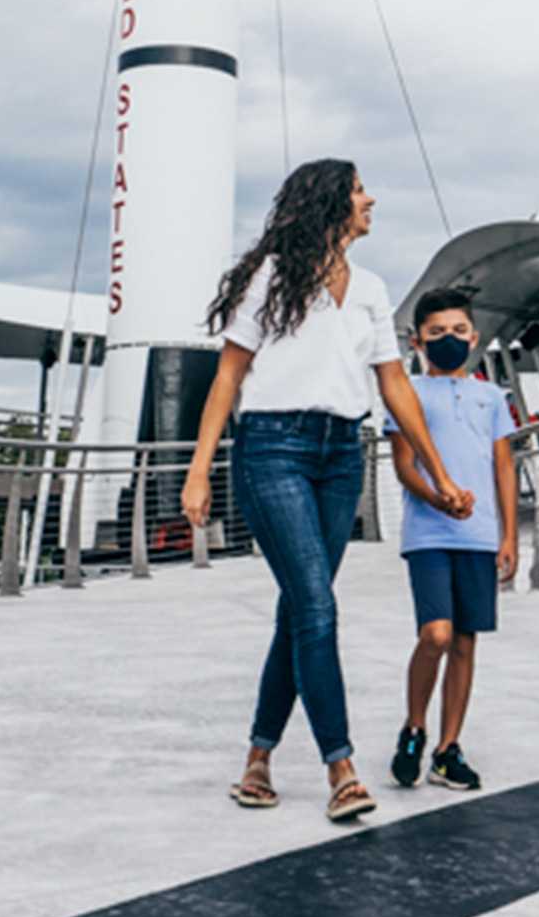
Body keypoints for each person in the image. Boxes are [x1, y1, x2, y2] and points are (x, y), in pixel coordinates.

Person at [184, 160, 466, 825]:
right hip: (271, 450)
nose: (371, 198)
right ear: (331, 202)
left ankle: (258, 758)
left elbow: (394, 388)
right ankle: (341, 768)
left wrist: (441, 476)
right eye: (360, 189)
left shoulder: (370, 288)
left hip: (343, 454)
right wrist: (199, 470)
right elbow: (227, 379)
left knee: (300, 609)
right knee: (317, 605)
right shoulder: (268, 279)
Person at [384, 287, 521, 792]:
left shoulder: (491, 397)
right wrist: (440, 499)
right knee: (435, 634)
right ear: (419, 341)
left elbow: (503, 466)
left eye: (459, 332)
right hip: (428, 532)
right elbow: (403, 465)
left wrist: (508, 535)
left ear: (475, 337)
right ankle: (414, 727)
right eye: (437, 333)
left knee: (465, 642)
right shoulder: (408, 392)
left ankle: (448, 750)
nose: (449, 341)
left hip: (480, 536)